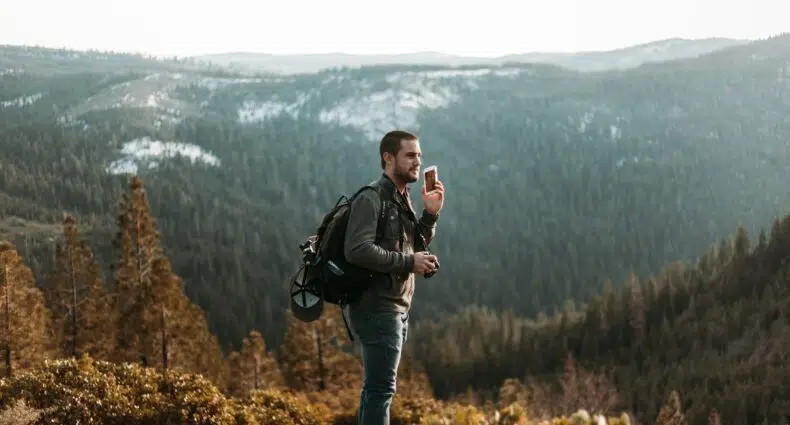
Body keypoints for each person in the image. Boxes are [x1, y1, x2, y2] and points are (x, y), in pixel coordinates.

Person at [343, 130, 444, 425]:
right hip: (376, 308)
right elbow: (357, 250)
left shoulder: (402, 198)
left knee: (375, 390)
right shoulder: (372, 198)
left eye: (419, 155)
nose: (417, 161)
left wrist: (431, 214)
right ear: (388, 158)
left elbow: (415, 244)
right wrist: (409, 262)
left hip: (396, 308)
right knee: (381, 390)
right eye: (410, 155)